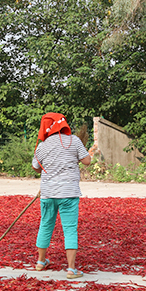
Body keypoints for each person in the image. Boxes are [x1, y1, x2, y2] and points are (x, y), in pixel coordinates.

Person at [31, 112, 91, 279]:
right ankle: (71, 269)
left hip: (48, 193)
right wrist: (72, 159)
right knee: (70, 229)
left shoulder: (43, 145)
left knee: (45, 225)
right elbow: (87, 161)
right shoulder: (74, 141)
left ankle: (40, 262)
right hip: (69, 193)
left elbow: (36, 166)